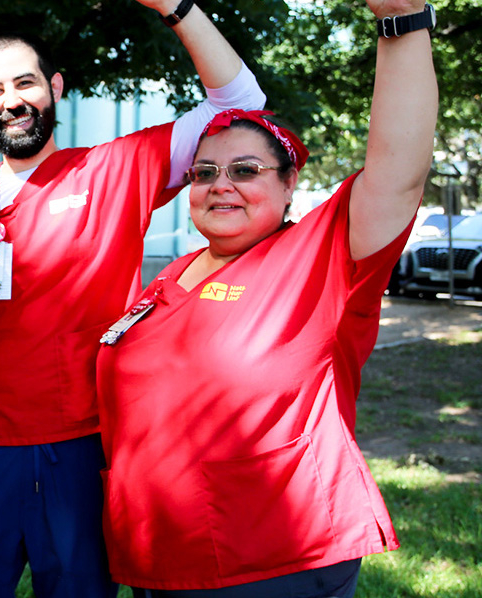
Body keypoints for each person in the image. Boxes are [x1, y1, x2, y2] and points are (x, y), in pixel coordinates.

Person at [95, 1, 437, 595]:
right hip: (160, 557)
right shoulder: (171, 275)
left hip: (270, 562)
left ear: (288, 185)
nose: (220, 185)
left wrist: (402, 22)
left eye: (246, 170)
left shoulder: (322, 256)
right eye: (203, 173)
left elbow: (397, 170)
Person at [0, 2, 269, 596]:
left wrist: (177, 8)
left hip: (85, 442)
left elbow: (240, 102)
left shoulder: (114, 168)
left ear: (55, 88)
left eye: (26, 82)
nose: (12, 100)